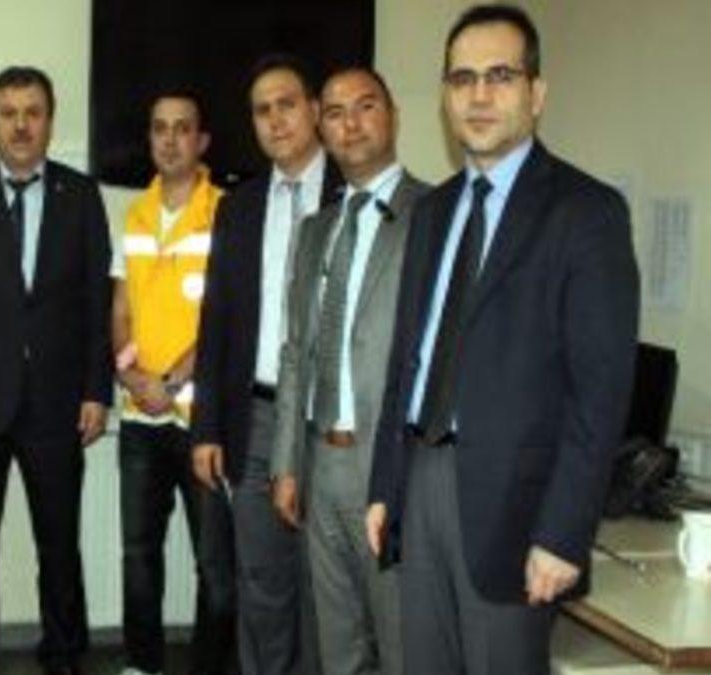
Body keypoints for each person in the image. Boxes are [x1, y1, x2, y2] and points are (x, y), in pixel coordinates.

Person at [365, 5, 639, 673]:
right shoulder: (432, 211)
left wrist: (564, 533)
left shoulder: (587, 212)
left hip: (516, 509)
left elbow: (599, 395)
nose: (479, 95)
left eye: (500, 76)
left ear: (536, 93)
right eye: (462, 79)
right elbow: (407, 361)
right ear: (445, 97)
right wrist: (385, 485)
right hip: (420, 482)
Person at [0, 66, 113, 675]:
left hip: (57, 406)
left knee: (59, 547)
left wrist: (96, 390)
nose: (21, 125)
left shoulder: (80, 195)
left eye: (33, 112)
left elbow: (96, 301)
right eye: (8, 113)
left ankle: (64, 656)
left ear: (49, 122)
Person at [270, 66, 427, 675]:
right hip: (320, 464)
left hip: (389, 466)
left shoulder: (432, 214)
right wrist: (286, 463)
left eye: (365, 106)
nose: (351, 124)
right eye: (334, 113)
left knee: (401, 643)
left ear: (392, 115)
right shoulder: (316, 230)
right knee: (338, 648)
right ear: (321, 127)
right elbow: (294, 352)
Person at [190, 53, 343, 675]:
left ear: (314, 110)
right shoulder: (240, 206)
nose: (275, 120)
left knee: (327, 589)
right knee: (262, 586)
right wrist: (205, 427)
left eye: (287, 104)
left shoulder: (353, 194)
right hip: (254, 418)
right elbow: (216, 321)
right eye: (261, 111)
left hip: (332, 425)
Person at [110, 91, 236, 675]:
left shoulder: (227, 213)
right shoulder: (135, 213)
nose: (169, 139)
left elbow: (226, 316)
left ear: (202, 141)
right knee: (139, 555)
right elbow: (120, 308)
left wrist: (169, 379)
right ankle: (143, 664)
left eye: (182, 128)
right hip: (140, 417)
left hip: (202, 420)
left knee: (215, 565)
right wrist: (128, 371)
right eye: (159, 128)